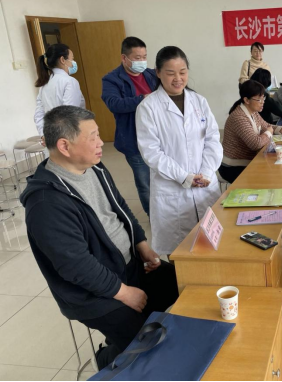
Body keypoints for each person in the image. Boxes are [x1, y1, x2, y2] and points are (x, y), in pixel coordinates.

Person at [20, 106, 179, 370]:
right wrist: (124, 293)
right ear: (64, 146)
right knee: (149, 347)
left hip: (128, 267)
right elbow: (76, 266)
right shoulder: (46, 203)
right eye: (92, 136)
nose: (100, 142)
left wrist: (141, 244)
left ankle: (125, 338)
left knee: (185, 284)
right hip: (94, 293)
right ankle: (107, 359)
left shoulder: (94, 168)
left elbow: (120, 207)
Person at [136, 47, 223, 256]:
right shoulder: (148, 107)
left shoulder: (199, 101)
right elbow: (151, 152)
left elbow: (212, 139)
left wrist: (207, 172)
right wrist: (184, 176)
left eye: (182, 72)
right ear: (158, 72)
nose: (178, 78)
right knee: (178, 252)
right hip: (172, 190)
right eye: (170, 73)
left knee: (211, 246)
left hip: (205, 185)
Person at [102, 37, 157, 218]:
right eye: (137, 57)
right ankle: (154, 217)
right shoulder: (112, 79)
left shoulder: (151, 74)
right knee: (145, 183)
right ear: (124, 58)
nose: (142, 61)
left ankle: (167, 213)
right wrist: (142, 99)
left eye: (144, 56)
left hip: (157, 136)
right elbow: (114, 104)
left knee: (163, 178)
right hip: (134, 139)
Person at [219, 81, 282, 183]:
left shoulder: (252, 112)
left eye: (263, 98)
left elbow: (266, 126)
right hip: (233, 166)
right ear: (246, 100)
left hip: (249, 161)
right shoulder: (238, 117)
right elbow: (256, 144)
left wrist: (280, 129)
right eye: (259, 99)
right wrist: (269, 132)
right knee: (273, 178)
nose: (263, 102)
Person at [34, 44, 86, 140]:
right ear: (62, 60)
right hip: (69, 136)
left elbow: (38, 114)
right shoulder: (69, 81)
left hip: (52, 136)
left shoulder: (44, 84)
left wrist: (43, 135)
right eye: (72, 58)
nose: (73, 63)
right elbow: (69, 112)